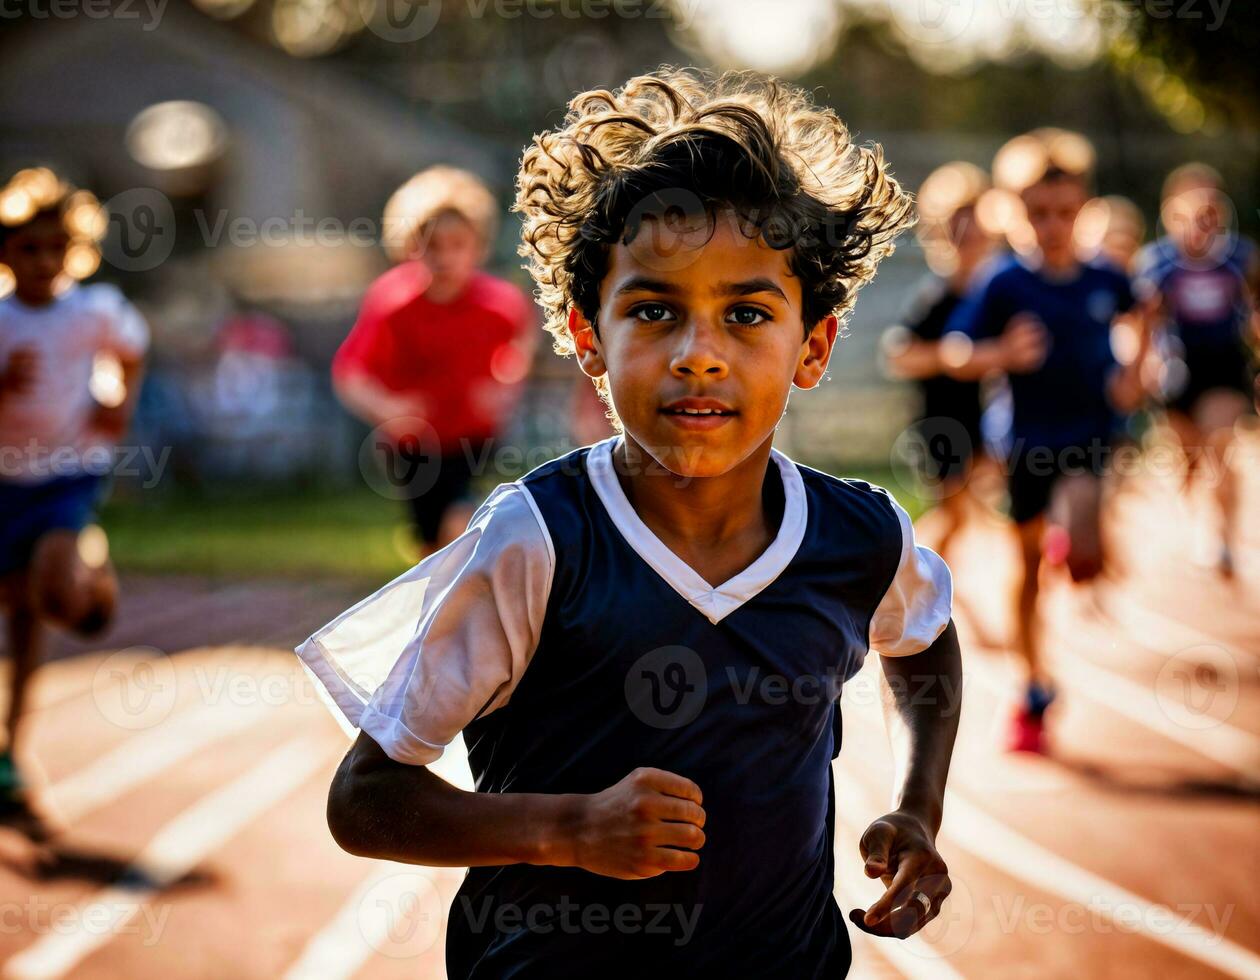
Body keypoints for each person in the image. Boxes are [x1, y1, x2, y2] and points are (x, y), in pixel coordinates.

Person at [297, 68, 962, 977]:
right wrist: (566, 826)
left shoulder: (862, 537)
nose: (698, 354)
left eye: (747, 314)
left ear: (813, 346)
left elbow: (924, 639)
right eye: (654, 310)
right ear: (586, 335)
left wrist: (917, 808)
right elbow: (365, 802)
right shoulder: (537, 540)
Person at [944, 129, 1145, 754]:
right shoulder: (1006, 284)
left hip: (1089, 433)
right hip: (1026, 441)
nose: (1052, 225)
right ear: (1016, 212)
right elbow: (956, 352)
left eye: (1065, 212)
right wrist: (1000, 352)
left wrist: (1136, 368)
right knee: (1027, 570)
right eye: (1038, 214)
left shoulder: (1104, 279)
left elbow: (1142, 313)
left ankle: (1074, 536)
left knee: (1084, 561)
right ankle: (1032, 688)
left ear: (1084, 209)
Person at [0, 169, 148, 834]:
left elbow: (133, 352)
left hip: (67, 475)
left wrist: (117, 401)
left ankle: (85, 565)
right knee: (23, 615)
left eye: (55, 248)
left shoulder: (93, 311)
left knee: (54, 596)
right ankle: (12, 750)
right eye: (28, 248)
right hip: (4, 481)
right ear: (7, 253)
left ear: (75, 251)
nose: (42, 261)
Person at [333, 166, 535, 558]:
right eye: (431, 246)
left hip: (472, 438)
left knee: (460, 521)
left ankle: (464, 601)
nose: (444, 258)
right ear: (408, 246)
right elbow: (351, 374)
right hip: (414, 446)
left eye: (456, 244)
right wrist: (388, 408)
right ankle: (435, 599)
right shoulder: (393, 303)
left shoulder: (498, 304)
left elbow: (517, 351)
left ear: (477, 246)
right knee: (429, 540)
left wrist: (504, 388)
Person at [1134, 164, 1259, 577]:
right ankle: (1192, 505)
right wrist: (1147, 360)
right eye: (1190, 210)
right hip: (1180, 371)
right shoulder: (1157, 263)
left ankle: (1222, 537)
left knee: (1221, 445)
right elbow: (1143, 323)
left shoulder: (1241, 258)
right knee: (1190, 455)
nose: (1202, 222)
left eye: (1210, 210)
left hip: (1224, 365)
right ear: (1172, 214)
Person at [881, 161, 998, 560]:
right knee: (953, 514)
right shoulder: (936, 299)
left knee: (980, 511)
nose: (969, 241)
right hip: (944, 423)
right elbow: (899, 355)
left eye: (977, 230)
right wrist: (952, 358)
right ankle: (909, 569)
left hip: (990, 421)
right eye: (957, 232)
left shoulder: (998, 295)